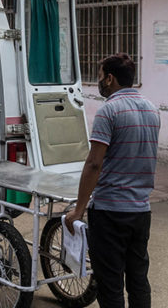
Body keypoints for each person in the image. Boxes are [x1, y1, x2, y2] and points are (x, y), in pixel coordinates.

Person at [65, 53, 160, 308]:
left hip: (110, 211)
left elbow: (94, 163)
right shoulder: (152, 109)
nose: (99, 83)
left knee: (110, 283)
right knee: (139, 279)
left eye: (99, 77)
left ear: (110, 78)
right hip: (141, 211)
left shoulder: (109, 111)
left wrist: (79, 209)